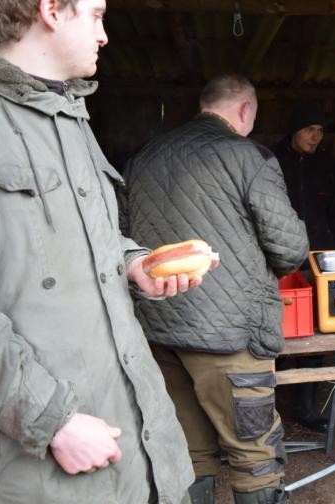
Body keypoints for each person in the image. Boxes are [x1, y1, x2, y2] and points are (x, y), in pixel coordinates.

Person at [0, 0, 195, 503]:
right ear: (51, 10)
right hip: (43, 460)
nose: (104, 34)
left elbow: (86, 241)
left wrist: (134, 264)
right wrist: (51, 421)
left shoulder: (69, 115)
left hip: (132, 426)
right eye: (96, 15)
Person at [124, 74, 309, 504]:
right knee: (254, 453)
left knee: (190, 452)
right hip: (229, 339)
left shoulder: (143, 157)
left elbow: (123, 240)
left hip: (159, 333)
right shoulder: (248, 157)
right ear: (245, 110)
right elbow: (290, 248)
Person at [272, 102, 335, 433]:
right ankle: (264, 407)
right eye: (310, 130)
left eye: (320, 131)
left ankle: (306, 405)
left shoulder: (328, 166)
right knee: (272, 328)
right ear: (294, 130)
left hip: (319, 256)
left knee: (316, 328)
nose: (316, 137)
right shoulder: (270, 162)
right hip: (276, 258)